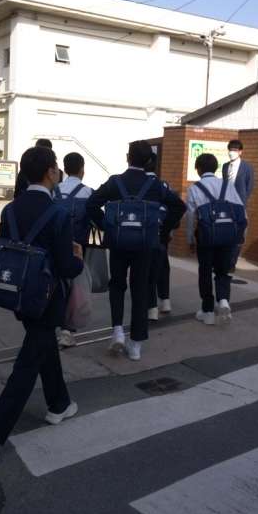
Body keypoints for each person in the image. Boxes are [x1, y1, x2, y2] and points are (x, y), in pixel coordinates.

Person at [0, 145, 83, 468]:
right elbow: (66, 267)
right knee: (28, 364)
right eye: (55, 168)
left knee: (42, 346)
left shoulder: (10, 209)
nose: (57, 172)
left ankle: (59, 404)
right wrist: (78, 259)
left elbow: (8, 249)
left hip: (19, 294)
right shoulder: (58, 213)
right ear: (49, 172)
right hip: (48, 298)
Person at [86, 140, 186, 362]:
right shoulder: (156, 185)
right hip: (145, 244)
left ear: (127, 157)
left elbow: (91, 204)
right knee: (140, 288)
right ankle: (136, 345)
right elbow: (180, 206)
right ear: (149, 161)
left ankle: (117, 331)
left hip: (118, 243)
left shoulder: (115, 182)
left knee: (117, 285)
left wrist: (107, 226)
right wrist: (162, 230)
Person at [186, 152, 245, 326]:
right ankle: (223, 299)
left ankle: (208, 312)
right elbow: (241, 211)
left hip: (206, 237)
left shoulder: (194, 188)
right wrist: (240, 235)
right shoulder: (228, 185)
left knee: (205, 271)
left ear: (198, 169)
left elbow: (190, 216)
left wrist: (190, 239)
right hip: (228, 236)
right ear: (216, 168)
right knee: (223, 270)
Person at [57, 152, 93, 349]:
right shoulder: (87, 192)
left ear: (64, 168)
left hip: (56, 244)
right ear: (82, 169)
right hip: (78, 247)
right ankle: (67, 330)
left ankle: (54, 319)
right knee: (75, 287)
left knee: (57, 282)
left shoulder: (55, 190)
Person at [146, 151, 184, 319]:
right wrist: (167, 228)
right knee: (162, 264)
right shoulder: (163, 185)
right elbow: (176, 207)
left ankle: (152, 307)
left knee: (147, 268)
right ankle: (165, 300)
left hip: (145, 232)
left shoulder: (140, 184)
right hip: (162, 232)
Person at [222, 139, 254, 270]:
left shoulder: (247, 167)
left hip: (239, 206)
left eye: (235, 150)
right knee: (224, 233)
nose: (232, 152)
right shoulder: (225, 166)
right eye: (230, 150)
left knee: (240, 234)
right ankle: (223, 261)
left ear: (240, 152)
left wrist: (242, 201)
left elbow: (250, 186)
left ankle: (232, 263)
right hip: (225, 205)